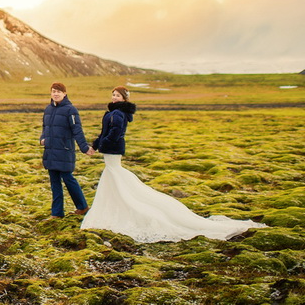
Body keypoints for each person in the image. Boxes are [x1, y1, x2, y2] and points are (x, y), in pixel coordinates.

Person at [81, 86, 266, 242]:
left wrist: (102, 145)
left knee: (115, 174)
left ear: (123, 99)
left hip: (113, 149)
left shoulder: (118, 114)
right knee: (114, 175)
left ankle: (126, 206)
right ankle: (117, 204)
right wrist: (95, 146)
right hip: (110, 149)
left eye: (117, 96)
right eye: (113, 95)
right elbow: (104, 131)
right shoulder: (114, 112)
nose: (114, 97)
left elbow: (115, 133)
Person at [40, 82, 95, 218]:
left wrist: (84, 148)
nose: (56, 94)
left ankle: (82, 206)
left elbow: (77, 130)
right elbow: (45, 127)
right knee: (54, 183)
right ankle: (57, 213)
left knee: (68, 179)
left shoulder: (71, 110)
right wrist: (42, 139)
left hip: (64, 151)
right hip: (50, 151)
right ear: (51, 93)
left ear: (64, 94)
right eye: (53, 91)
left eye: (59, 91)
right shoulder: (48, 109)